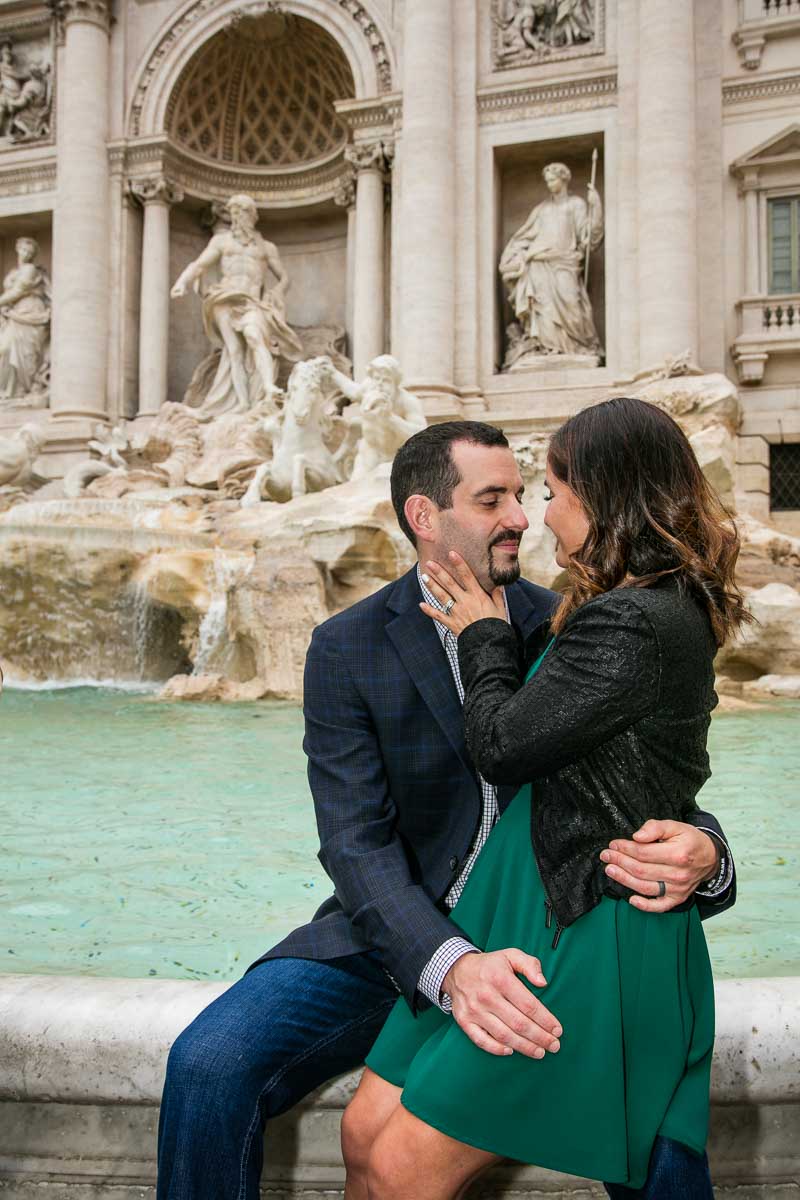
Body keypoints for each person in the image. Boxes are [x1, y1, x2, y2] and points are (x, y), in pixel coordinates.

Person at [157, 420, 736, 1200]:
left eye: (527, 495)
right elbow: (355, 843)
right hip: (402, 932)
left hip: (540, 933)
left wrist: (706, 850)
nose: (521, 518)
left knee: (647, 1122)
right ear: (425, 517)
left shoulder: (567, 617)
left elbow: (645, 775)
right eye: (492, 498)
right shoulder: (346, 645)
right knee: (208, 1062)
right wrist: (448, 963)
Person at [344, 401, 748, 1199]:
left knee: (400, 1167)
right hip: (483, 920)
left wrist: (483, 636)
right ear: (426, 516)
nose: (537, 517)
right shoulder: (611, 606)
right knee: (363, 1136)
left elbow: (510, 745)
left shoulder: (621, 617)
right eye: (503, 499)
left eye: (552, 491)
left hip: (569, 922)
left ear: (608, 497)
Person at [170, 193, 302, 415]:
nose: (238, 217)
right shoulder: (221, 241)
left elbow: (285, 278)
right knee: (234, 351)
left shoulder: (266, 247)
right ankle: (242, 402)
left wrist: (277, 292)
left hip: (252, 301)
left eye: (242, 212)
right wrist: (182, 282)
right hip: (224, 297)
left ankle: (269, 387)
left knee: (255, 335)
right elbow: (200, 265)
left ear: (252, 215)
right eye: (234, 213)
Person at [499, 162, 602, 361]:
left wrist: (596, 206)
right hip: (538, 264)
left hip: (565, 263)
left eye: (553, 180)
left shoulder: (576, 204)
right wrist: (515, 257)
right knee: (542, 308)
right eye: (547, 181)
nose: (549, 184)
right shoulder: (541, 210)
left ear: (563, 179)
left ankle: (576, 346)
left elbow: (588, 237)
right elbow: (524, 237)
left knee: (571, 303)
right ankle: (546, 347)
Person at [0, 236, 50, 401]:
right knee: (4, 349)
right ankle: (8, 391)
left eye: (30, 251)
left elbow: (19, 291)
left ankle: (20, 390)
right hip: (14, 314)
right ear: (17, 249)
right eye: (23, 249)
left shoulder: (30, 270)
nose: (26, 254)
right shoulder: (13, 272)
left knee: (22, 353)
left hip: (30, 311)